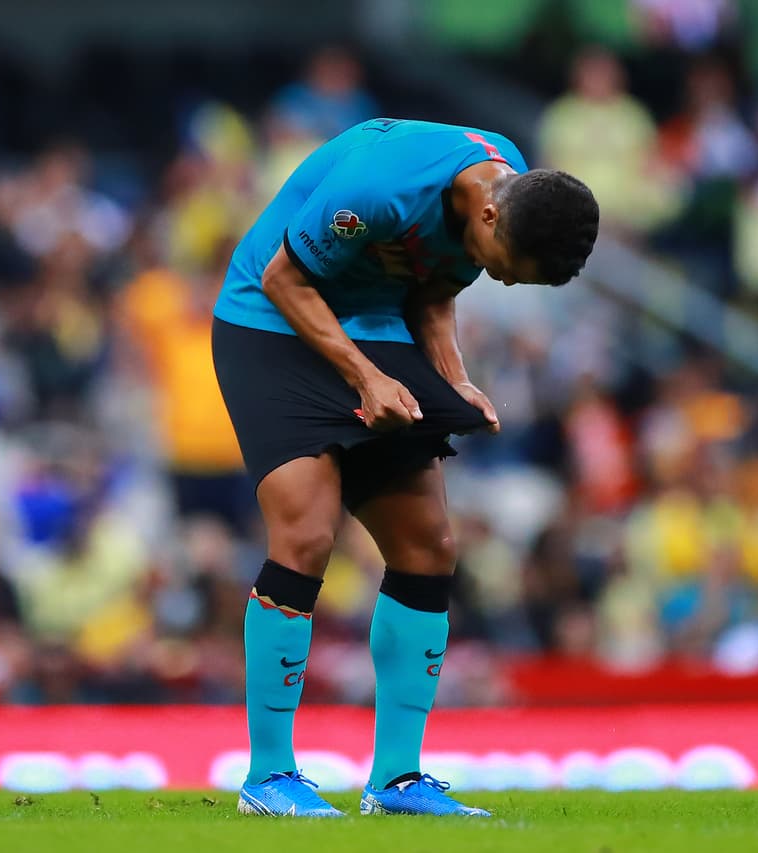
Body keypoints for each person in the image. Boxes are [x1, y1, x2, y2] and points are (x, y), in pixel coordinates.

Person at [212, 117, 598, 817]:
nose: (505, 283)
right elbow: (284, 277)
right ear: (489, 211)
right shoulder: (380, 191)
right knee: (305, 532)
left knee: (428, 546)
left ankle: (396, 781)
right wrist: (365, 378)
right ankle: (268, 777)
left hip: (374, 325)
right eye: (508, 264)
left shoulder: (504, 184)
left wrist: (455, 378)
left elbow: (435, 286)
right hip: (270, 321)